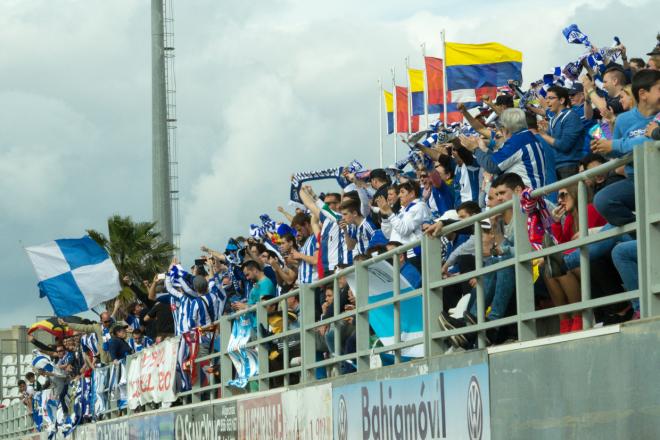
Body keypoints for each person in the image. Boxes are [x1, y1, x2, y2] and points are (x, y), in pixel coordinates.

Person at [591, 69, 660, 225]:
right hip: (635, 181)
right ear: (643, 94)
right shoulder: (623, 119)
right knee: (603, 200)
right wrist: (602, 147)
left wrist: (614, 145)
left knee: (616, 249)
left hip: (657, 177)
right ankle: (639, 234)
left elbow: (647, 142)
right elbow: (616, 153)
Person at [547, 186, 606, 333]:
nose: (559, 200)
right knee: (549, 271)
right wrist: (555, 222)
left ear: (576, 193)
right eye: (558, 197)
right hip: (581, 261)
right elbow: (562, 246)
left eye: (563, 195)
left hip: (597, 261)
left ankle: (578, 316)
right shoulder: (569, 219)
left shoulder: (590, 209)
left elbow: (588, 247)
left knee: (563, 267)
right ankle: (565, 320)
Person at [465, 108, 546, 190]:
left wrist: (475, 149)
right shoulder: (525, 137)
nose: (501, 131)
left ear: (506, 128)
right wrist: (484, 149)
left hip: (525, 197)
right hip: (529, 194)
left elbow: (492, 166)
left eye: (501, 128)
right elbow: (499, 163)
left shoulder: (518, 141)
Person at [376, 180, 432, 270]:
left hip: (412, 254)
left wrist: (389, 212)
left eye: (402, 192)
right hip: (400, 255)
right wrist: (384, 216)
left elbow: (404, 230)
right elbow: (388, 234)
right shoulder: (403, 210)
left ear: (412, 193)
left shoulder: (419, 206)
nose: (399, 195)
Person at [537, 86, 585, 179]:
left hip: (570, 165)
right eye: (546, 98)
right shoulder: (553, 119)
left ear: (562, 100)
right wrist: (545, 133)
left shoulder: (570, 116)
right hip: (556, 166)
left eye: (551, 98)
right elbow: (552, 144)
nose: (547, 101)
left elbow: (564, 145)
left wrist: (544, 136)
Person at [290, 212, 319, 284]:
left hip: (313, 285)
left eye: (299, 229)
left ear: (306, 224)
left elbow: (316, 260)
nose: (298, 233)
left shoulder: (315, 237)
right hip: (304, 286)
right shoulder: (307, 240)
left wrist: (299, 255)